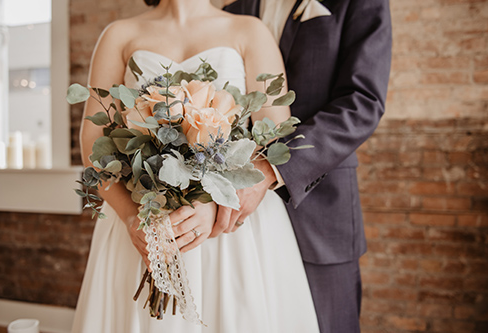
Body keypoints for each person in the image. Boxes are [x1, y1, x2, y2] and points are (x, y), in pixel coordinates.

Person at [72, 0, 319, 332]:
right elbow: (92, 142)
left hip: (231, 230)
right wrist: (133, 217)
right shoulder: (118, 35)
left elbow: (275, 139)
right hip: (146, 218)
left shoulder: (250, 31)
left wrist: (211, 202)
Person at [212, 0, 392, 332]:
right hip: (236, 225)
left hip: (320, 213)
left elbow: (363, 101)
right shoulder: (233, 8)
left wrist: (269, 169)